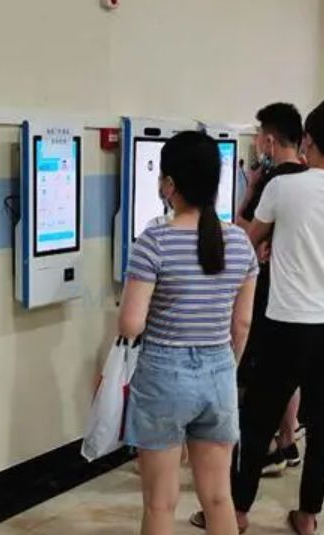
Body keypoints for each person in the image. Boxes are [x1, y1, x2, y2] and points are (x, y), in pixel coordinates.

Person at [193, 98, 324, 535]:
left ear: (308, 140)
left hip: (285, 320)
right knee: (321, 425)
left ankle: (237, 512)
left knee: (257, 419)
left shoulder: (284, 187)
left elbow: (247, 241)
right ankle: (308, 515)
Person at [119, 131, 258, 535]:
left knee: (160, 503)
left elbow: (131, 324)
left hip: (163, 373)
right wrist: (226, 365)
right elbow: (243, 322)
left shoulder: (153, 242)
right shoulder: (238, 242)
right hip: (218, 372)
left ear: (169, 184)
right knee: (218, 498)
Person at [235, 103, 308, 476]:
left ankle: (266, 450)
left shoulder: (271, 182)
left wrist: (248, 190)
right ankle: (288, 440)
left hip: (269, 289)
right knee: (290, 373)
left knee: (263, 374)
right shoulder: (310, 177)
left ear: (269, 138)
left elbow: (246, 234)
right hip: (302, 297)